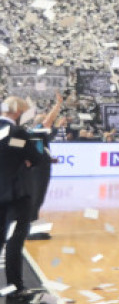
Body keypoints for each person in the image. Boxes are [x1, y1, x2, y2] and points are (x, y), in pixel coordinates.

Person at [1, 97, 45, 301]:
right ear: (17, 112)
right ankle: (15, 286)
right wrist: (25, 156)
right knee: (14, 240)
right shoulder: (17, 134)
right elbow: (35, 157)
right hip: (16, 195)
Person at [25, 93, 65, 242]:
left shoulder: (37, 134)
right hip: (38, 170)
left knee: (37, 200)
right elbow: (49, 119)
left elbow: (38, 150)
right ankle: (29, 231)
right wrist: (58, 105)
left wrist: (50, 159)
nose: (50, 125)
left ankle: (35, 230)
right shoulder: (39, 130)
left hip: (38, 168)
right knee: (36, 200)